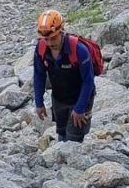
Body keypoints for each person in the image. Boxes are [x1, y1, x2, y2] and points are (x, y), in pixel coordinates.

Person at [33, 10, 96, 143]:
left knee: (74, 136)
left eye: (53, 38)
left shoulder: (79, 50)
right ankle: (62, 158)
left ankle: (72, 161)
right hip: (59, 98)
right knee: (61, 132)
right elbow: (39, 75)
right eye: (46, 39)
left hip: (80, 96)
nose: (50, 43)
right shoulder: (41, 49)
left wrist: (80, 108)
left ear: (61, 31)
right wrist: (39, 102)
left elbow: (88, 81)